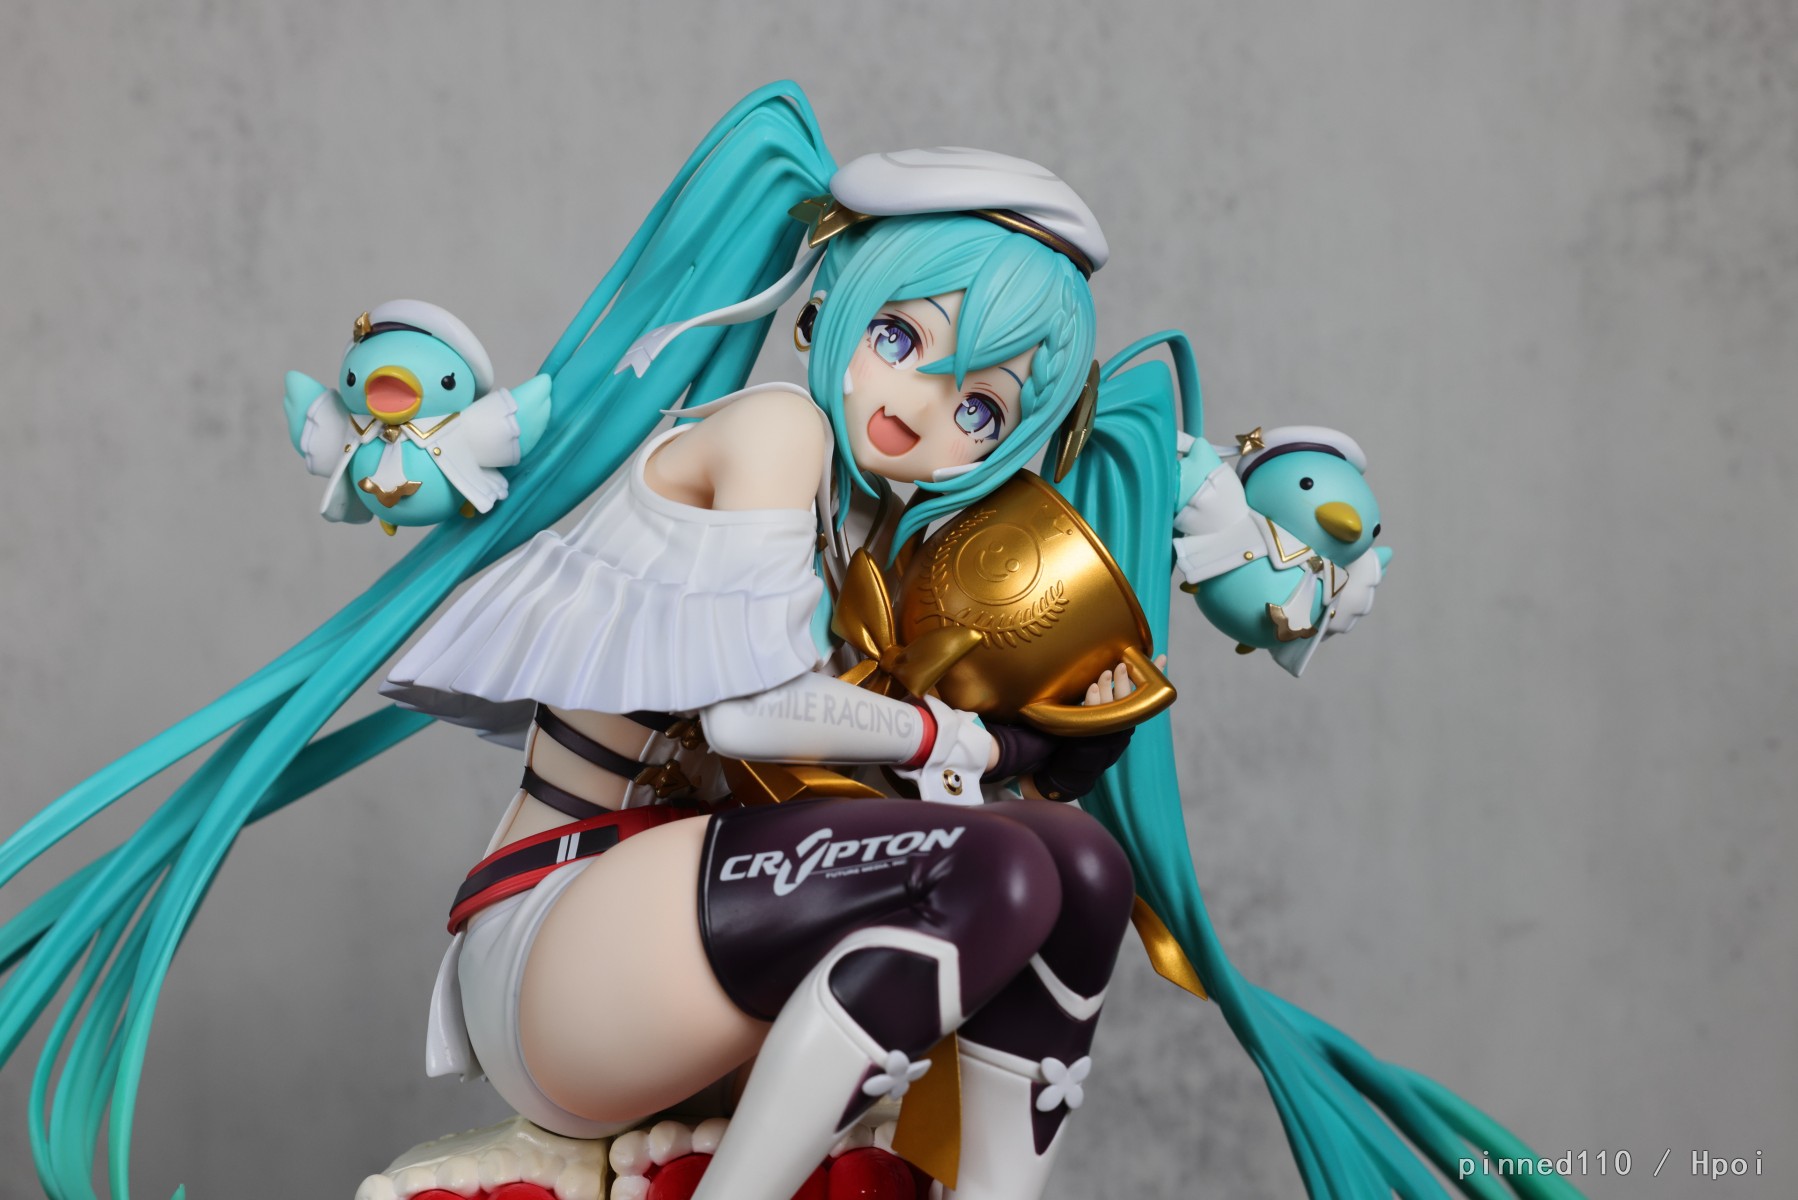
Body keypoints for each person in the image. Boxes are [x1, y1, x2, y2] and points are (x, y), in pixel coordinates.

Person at [0, 83, 1576, 1200]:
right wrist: (951, 740)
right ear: (825, 314)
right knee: (991, 864)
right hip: (556, 938)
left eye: (979, 407)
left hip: (695, 960)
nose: (918, 407)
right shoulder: (773, 434)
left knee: (1078, 867)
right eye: (899, 339)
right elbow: (755, 721)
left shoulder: (897, 538)